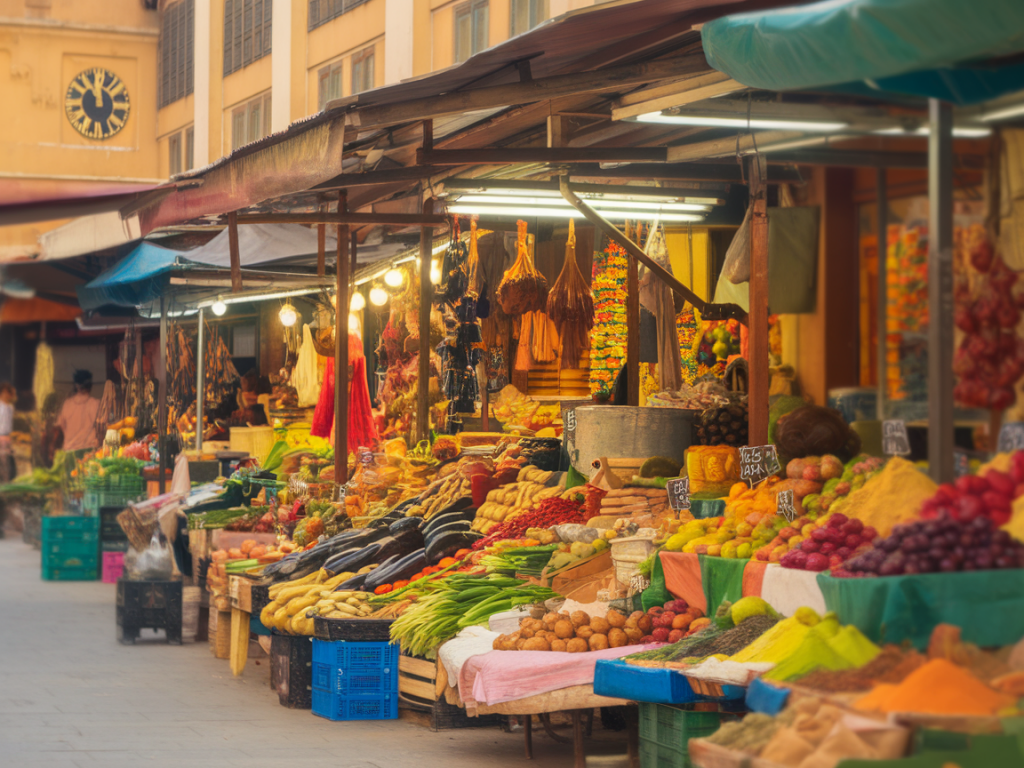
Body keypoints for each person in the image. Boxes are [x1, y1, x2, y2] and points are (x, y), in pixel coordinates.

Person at [57, 370, 101, 454]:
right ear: (90, 385)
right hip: (88, 452)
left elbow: (61, 426)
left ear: (76, 386)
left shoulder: (67, 404)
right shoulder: (95, 404)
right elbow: (102, 428)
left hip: (69, 452)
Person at [0, 383, 16, 482]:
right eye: (10, 393)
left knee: (6, 464)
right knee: (3, 463)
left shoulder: (10, 407)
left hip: (6, 438)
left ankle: (5, 484)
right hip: (1, 437)